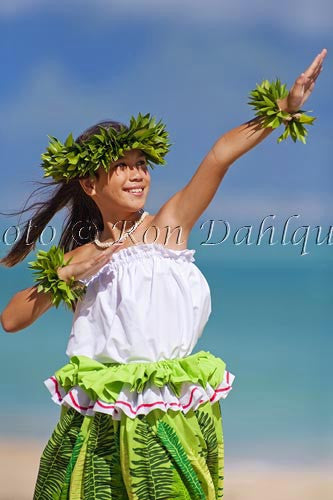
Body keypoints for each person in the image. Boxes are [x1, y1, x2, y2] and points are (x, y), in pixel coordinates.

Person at [0, 48, 327, 499]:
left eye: (142, 165)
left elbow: (218, 156)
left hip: (171, 418)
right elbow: (12, 319)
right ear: (90, 183)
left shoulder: (167, 228)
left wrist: (283, 110)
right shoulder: (79, 258)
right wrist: (70, 272)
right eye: (123, 166)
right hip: (97, 425)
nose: (137, 175)